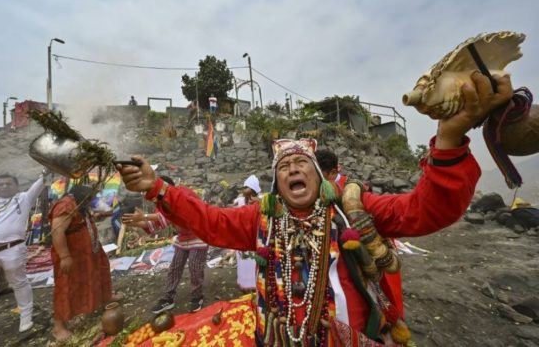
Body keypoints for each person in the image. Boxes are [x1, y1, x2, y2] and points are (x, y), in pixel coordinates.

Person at [117, 72, 513, 345]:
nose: (292, 169)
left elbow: (425, 211)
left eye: (301, 164)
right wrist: (157, 189)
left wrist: (449, 137)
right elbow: (209, 221)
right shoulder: (262, 217)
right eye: (284, 167)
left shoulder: (352, 209)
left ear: (320, 175)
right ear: (277, 183)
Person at [122, 177, 209, 314]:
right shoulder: (163, 202)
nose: (154, 197)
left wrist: (143, 216)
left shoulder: (183, 194)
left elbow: (170, 214)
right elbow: (155, 224)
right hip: (182, 238)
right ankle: (167, 298)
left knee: (195, 267)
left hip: (199, 236)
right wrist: (134, 222)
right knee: (175, 267)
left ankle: (197, 297)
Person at [49, 185, 122, 341]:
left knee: (100, 273)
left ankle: (105, 297)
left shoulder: (79, 204)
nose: (92, 200)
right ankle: (59, 326)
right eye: (91, 197)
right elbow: (57, 231)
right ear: (81, 196)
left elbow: (79, 221)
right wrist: (64, 256)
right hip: (72, 255)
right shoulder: (65, 206)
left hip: (89, 252)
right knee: (66, 287)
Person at [0, 172, 47, 338]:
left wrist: (45, 172)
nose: (4, 186)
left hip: (12, 250)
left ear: (16, 186)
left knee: (18, 283)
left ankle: (25, 316)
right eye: (0, 184)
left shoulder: (24, 198)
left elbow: (42, 181)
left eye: (8, 184)